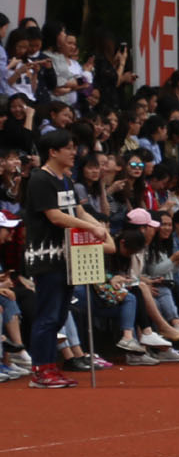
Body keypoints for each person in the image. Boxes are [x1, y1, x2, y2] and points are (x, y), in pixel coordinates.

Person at [22, 129, 113, 387]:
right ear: (53, 151)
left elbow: (78, 210)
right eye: (69, 148)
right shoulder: (40, 179)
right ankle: (40, 369)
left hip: (69, 257)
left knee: (60, 315)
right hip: (47, 257)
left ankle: (51, 366)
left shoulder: (66, 180)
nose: (74, 153)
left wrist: (100, 227)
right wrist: (90, 228)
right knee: (48, 315)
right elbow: (55, 216)